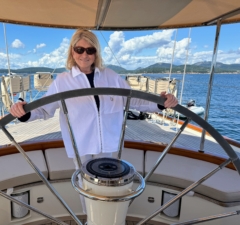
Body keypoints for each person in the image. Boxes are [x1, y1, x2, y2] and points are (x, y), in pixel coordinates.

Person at [10, 29, 178, 211]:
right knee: (87, 189)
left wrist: (161, 103)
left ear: (96, 53)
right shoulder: (63, 81)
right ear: (72, 51)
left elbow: (135, 100)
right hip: (81, 146)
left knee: (112, 190)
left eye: (90, 50)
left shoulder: (111, 76)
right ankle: (91, 220)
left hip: (111, 145)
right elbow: (44, 109)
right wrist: (25, 113)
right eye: (79, 49)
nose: (85, 55)